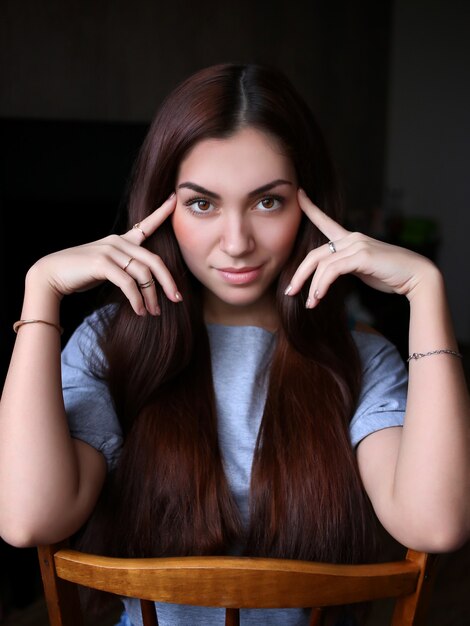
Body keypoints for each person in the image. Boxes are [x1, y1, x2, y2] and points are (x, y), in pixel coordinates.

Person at [0, 62, 469, 626]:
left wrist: (428, 290)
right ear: (162, 207)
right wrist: (39, 290)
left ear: (309, 205)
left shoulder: (360, 358)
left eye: (268, 202)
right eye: (202, 204)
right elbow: (28, 520)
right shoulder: (109, 344)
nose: (237, 242)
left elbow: (437, 524)